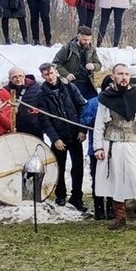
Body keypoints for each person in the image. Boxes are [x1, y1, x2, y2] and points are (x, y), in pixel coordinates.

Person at [93, 65, 136, 231]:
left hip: (131, 144)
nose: (124, 77)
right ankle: (120, 218)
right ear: (113, 76)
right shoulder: (105, 98)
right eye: (120, 74)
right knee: (114, 180)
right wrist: (98, 147)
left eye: (126, 74)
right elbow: (99, 125)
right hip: (110, 144)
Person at [36, 62, 88, 211]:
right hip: (58, 136)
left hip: (75, 134)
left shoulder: (70, 88)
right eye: (46, 74)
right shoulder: (41, 94)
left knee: (78, 167)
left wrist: (82, 130)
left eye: (51, 73)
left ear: (56, 72)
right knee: (59, 166)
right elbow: (44, 119)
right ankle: (60, 195)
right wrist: (55, 139)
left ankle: (77, 197)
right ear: (43, 76)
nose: (50, 77)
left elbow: (82, 107)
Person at [80, 76, 111, 220]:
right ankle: (99, 208)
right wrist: (98, 120)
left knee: (113, 177)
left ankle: (111, 207)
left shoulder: (119, 100)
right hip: (96, 147)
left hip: (113, 145)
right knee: (97, 178)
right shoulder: (94, 102)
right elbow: (84, 119)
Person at [52, 26, 103, 100]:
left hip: (88, 83)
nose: (87, 42)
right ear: (78, 37)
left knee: (95, 104)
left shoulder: (91, 49)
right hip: (72, 83)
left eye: (89, 40)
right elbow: (55, 63)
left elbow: (99, 64)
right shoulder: (67, 48)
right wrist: (66, 74)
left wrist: (93, 66)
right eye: (84, 39)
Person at [3, 67, 42, 138]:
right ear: (9, 78)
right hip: (16, 129)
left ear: (24, 76)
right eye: (14, 77)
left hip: (35, 128)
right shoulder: (5, 91)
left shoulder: (36, 88)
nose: (18, 79)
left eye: (20, 76)